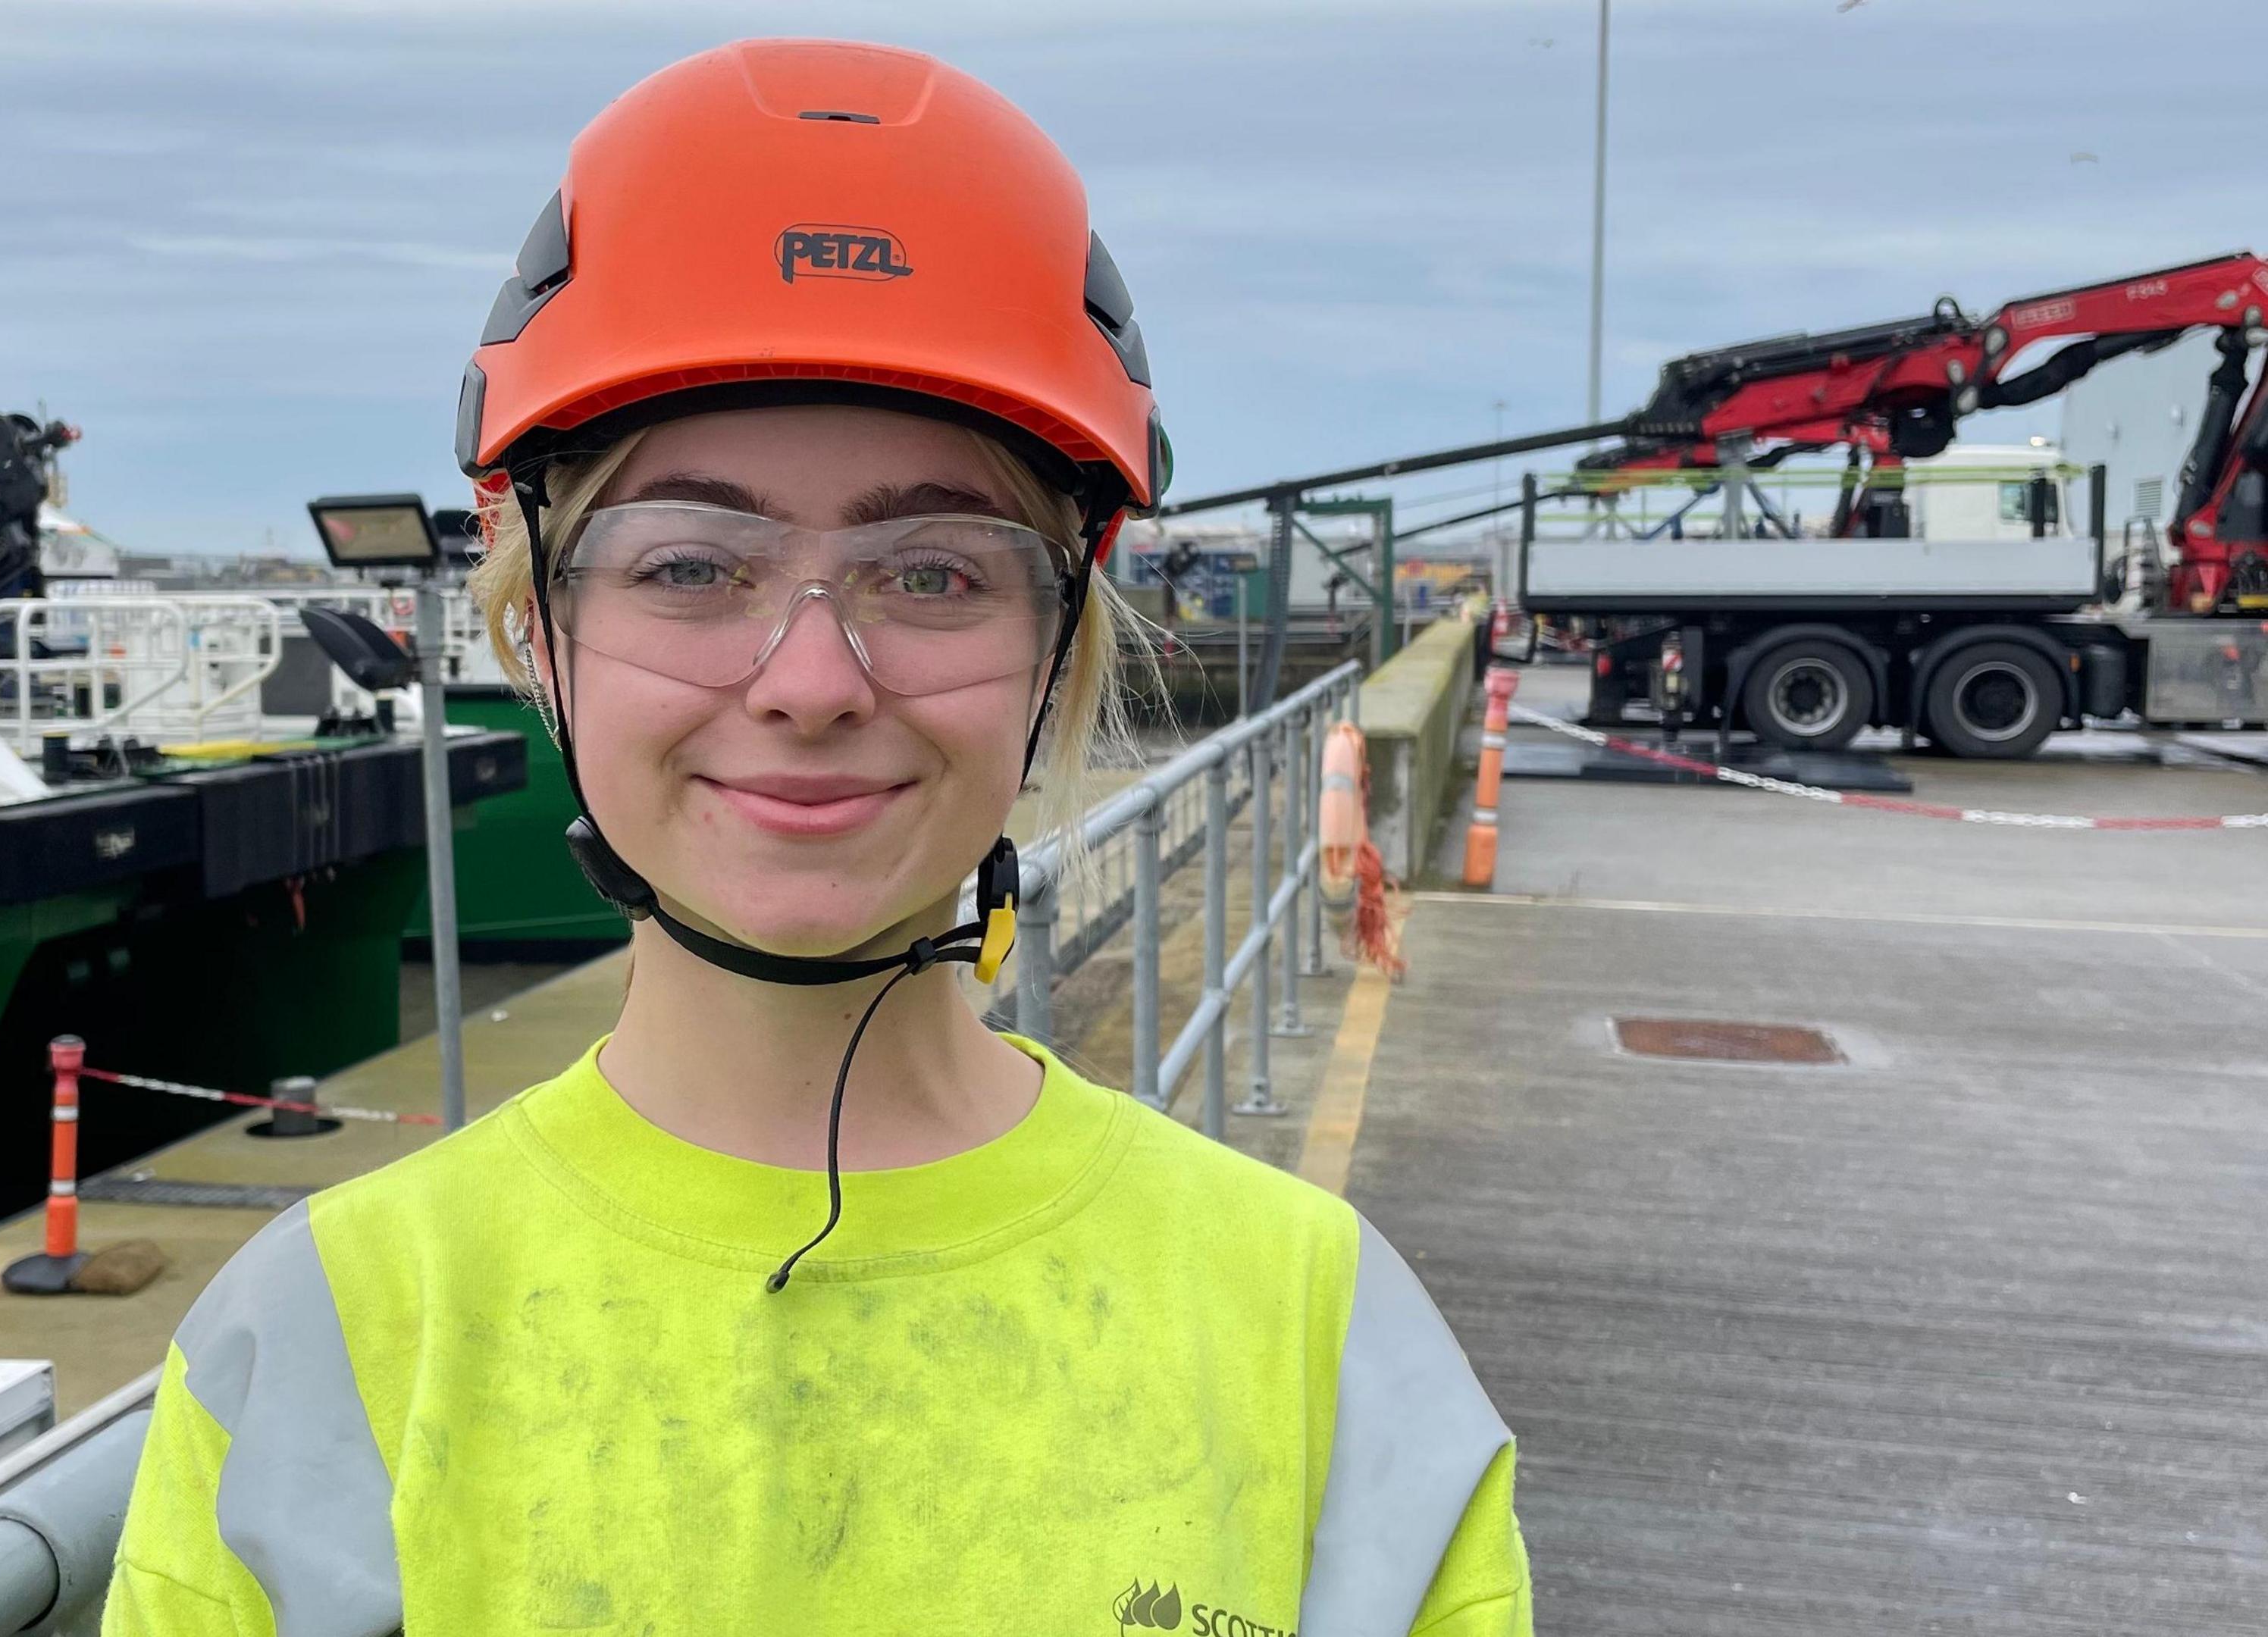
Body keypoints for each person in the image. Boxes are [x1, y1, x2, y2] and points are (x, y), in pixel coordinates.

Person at [105, 37, 1530, 1636]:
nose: (806, 684)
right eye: (688, 563)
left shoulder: (1327, 1347)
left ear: (1062, 639)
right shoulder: (316, 1350)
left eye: (933, 572)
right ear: (534, 628)